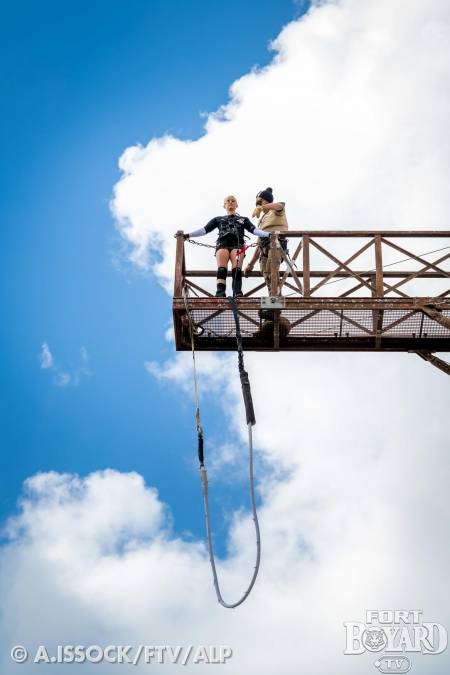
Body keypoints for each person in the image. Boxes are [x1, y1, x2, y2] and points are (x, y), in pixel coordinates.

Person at [182, 195, 269, 297]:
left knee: (237, 269)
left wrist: (267, 234)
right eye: (228, 201)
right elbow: (204, 230)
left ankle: (237, 292)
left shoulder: (243, 219)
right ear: (224, 205)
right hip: (222, 245)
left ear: (236, 205)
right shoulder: (218, 219)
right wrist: (188, 235)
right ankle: (220, 292)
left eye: (233, 201)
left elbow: (254, 230)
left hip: (237, 246)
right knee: (222, 269)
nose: (230, 202)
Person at [244, 188, 288, 294]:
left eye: (260, 201)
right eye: (257, 203)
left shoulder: (276, 210)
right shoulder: (261, 220)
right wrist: (251, 264)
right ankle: (274, 299)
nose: (258, 205)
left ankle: (275, 301)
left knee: (271, 270)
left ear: (267, 201)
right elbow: (259, 242)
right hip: (264, 247)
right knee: (265, 272)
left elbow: (280, 205)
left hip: (276, 244)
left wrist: (262, 207)